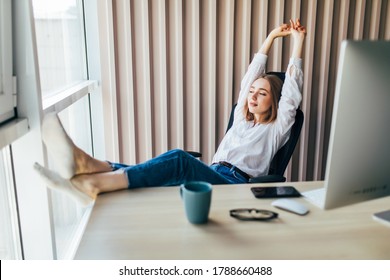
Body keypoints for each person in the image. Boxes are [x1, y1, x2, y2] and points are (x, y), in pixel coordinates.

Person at [34, 19, 306, 206]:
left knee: (177, 159)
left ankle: (92, 178)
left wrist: (297, 41)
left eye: (262, 93)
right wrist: (270, 38)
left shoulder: (277, 128)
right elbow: (250, 77)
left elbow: (291, 92)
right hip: (213, 172)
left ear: (275, 102)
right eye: (252, 92)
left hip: (235, 186)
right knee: (161, 166)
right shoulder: (240, 118)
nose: (253, 96)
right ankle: (91, 169)